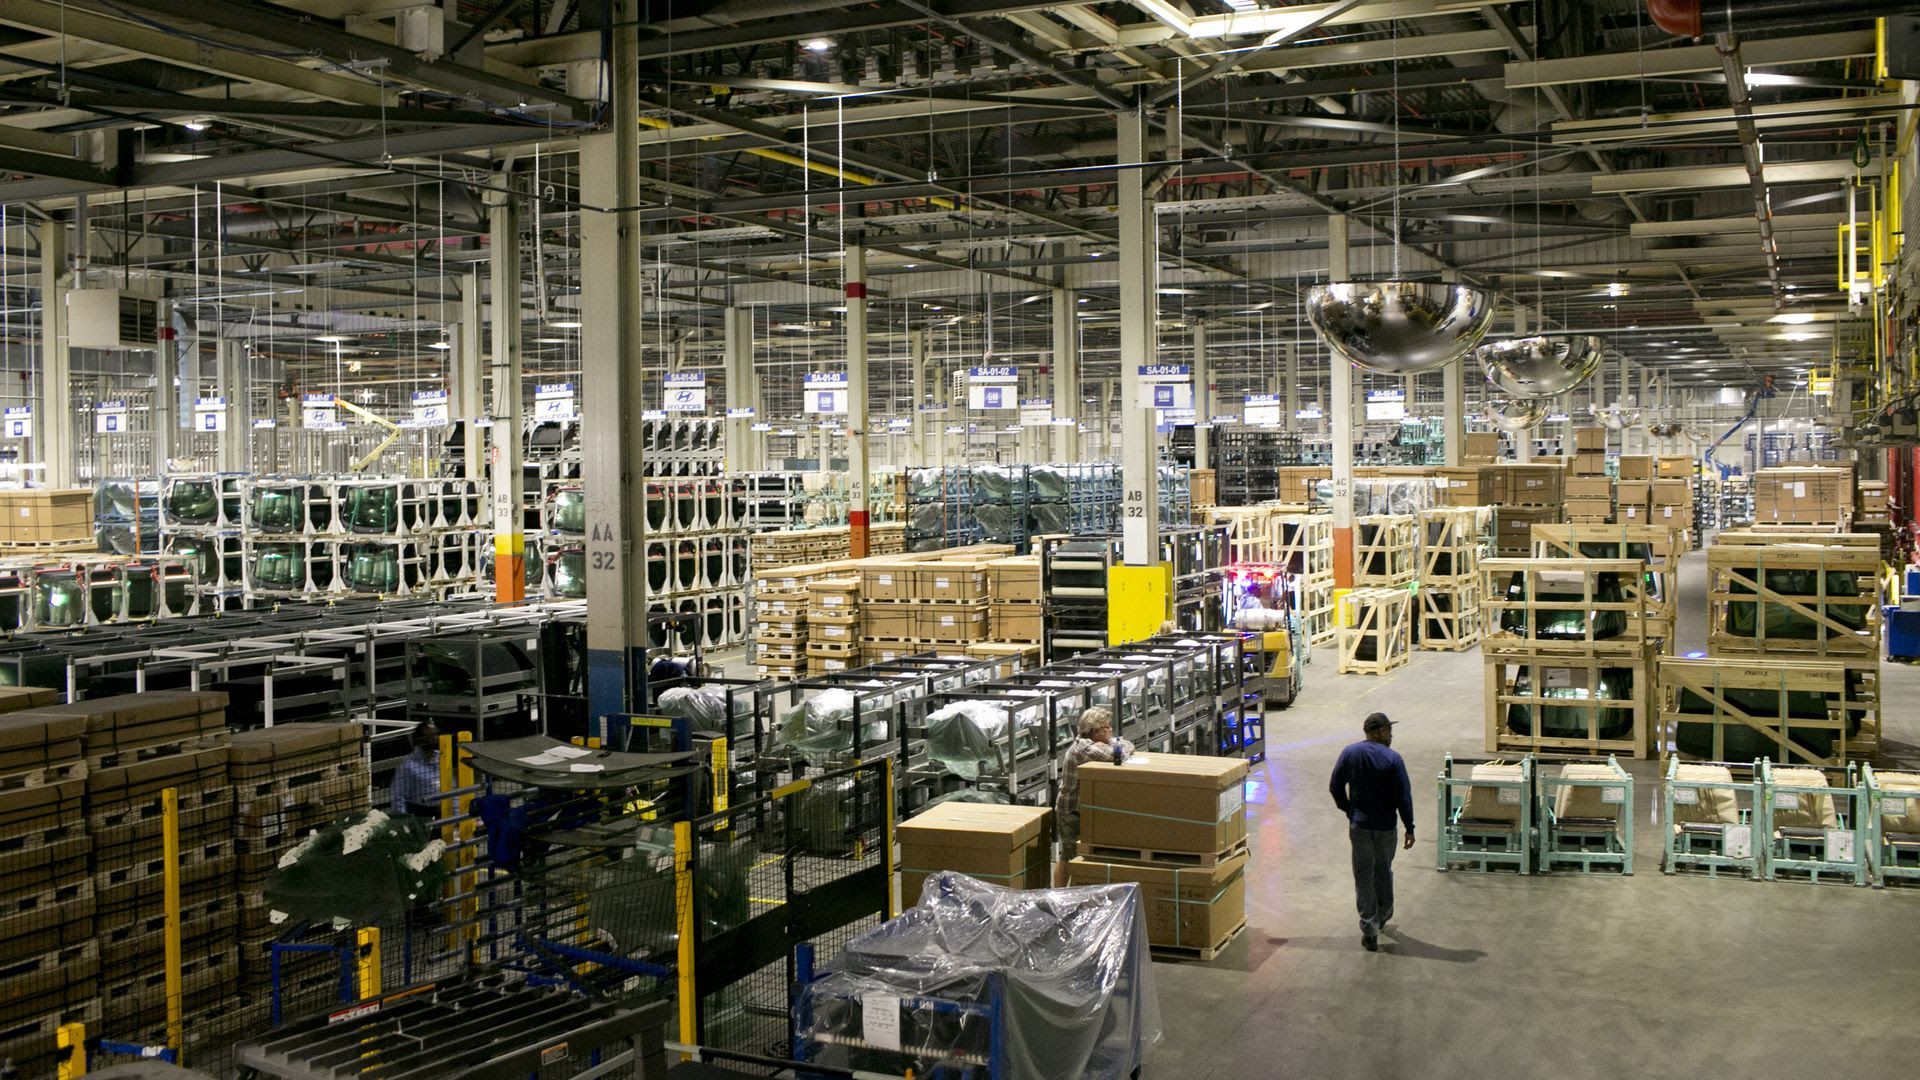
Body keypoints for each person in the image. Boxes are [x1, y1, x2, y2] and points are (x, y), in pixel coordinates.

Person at [1328, 712, 1414, 952]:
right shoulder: (1393, 759)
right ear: (1379, 732)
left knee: (1363, 876)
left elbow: (1335, 786)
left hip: (1360, 827)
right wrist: (1410, 827)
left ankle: (1369, 929)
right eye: (1388, 730)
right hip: (1386, 828)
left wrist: (1349, 810)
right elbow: (1403, 797)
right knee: (1383, 871)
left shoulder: (1350, 753)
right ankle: (1383, 915)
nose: (1391, 735)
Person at [1053, 706, 1133, 886]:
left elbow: (1126, 745)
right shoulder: (1083, 748)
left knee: (1071, 854)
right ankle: (1059, 895)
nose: (1111, 731)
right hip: (1070, 811)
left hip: (1080, 809)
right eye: (1107, 727)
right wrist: (1118, 747)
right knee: (1069, 855)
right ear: (1096, 731)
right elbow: (1118, 753)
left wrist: (1116, 744)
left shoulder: (1092, 744)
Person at [391, 723, 442, 819]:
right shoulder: (408, 765)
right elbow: (398, 797)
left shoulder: (442, 759)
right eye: (429, 736)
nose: (434, 738)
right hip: (418, 816)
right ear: (419, 740)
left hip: (442, 814)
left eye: (436, 734)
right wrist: (405, 822)